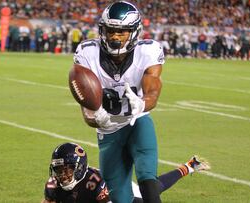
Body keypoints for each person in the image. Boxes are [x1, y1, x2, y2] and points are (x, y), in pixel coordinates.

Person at [72, 1, 165, 202]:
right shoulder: (87, 52)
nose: (114, 36)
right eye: (111, 30)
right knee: (119, 197)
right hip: (108, 130)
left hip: (137, 121)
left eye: (122, 32)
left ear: (134, 31)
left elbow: (153, 89)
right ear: (102, 30)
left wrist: (142, 103)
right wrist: (96, 117)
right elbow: (85, 104)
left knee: (147, 178)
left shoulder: (147, 51)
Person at [42, 143, 210, 203]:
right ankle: (189, 165)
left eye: (67, 170)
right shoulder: (53, 185)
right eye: (58, 170)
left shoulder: (94, 183)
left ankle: (189, 166)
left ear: (79, 168)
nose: (62, 175)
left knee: (153, 191)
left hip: (120, 190)